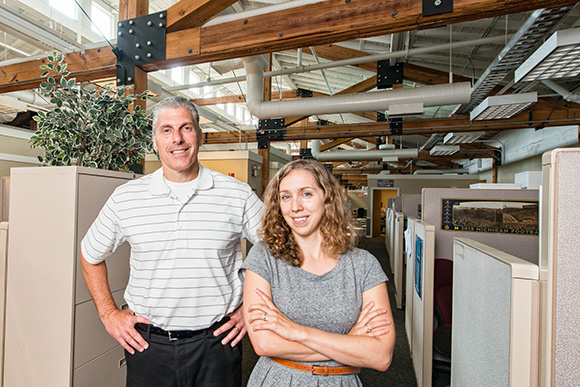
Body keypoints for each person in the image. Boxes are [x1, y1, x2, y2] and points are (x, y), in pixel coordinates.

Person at [80, 96, 263, 387]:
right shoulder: (127, 198)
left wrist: (251, 307)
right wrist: (109, 315)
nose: (177, 139)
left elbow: (278, 249)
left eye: (186, 128)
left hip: (217, 345)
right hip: (149, 346)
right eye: (166, 130)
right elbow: (90, 254)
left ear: (200, 136)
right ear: (155, 141)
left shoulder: (236, 194)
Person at [241, 159, 395, 386]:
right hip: (278, 380)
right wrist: (349, 343)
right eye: (285, 197)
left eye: (306, 194)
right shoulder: (264, 257)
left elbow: (380, 356)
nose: (295, 207)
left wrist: (297, 332)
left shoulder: (363, 266)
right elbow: (264, 344)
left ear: (327, 198)